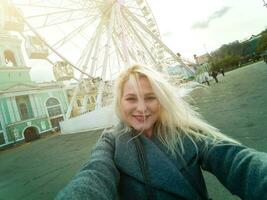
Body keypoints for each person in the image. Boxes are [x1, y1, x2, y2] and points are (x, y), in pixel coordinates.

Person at [56, 64, 267, 200]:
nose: (141, 108)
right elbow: (94, 174)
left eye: (150, 97)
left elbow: (236, 160)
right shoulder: (110, 141)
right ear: (120, 102)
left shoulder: (185, 132)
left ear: (161, 99)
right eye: (131, 99)